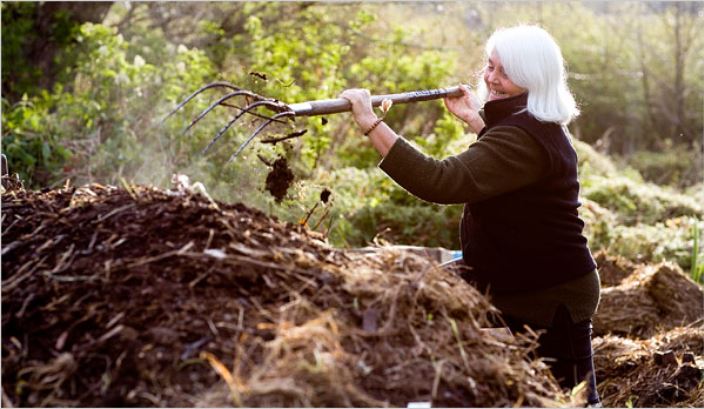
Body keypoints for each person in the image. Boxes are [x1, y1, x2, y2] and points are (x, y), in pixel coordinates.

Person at [340, 25, 601, 407]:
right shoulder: (530, 126)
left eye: (505, 73)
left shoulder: (524, 138)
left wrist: (371, 123)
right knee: (413, 300)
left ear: (531, 79)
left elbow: (440, 181)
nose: (490, 79)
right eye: (490, 66)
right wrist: (478, 121)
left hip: (550, 291)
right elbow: (506, 161)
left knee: (570, 399)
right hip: (502, 275)